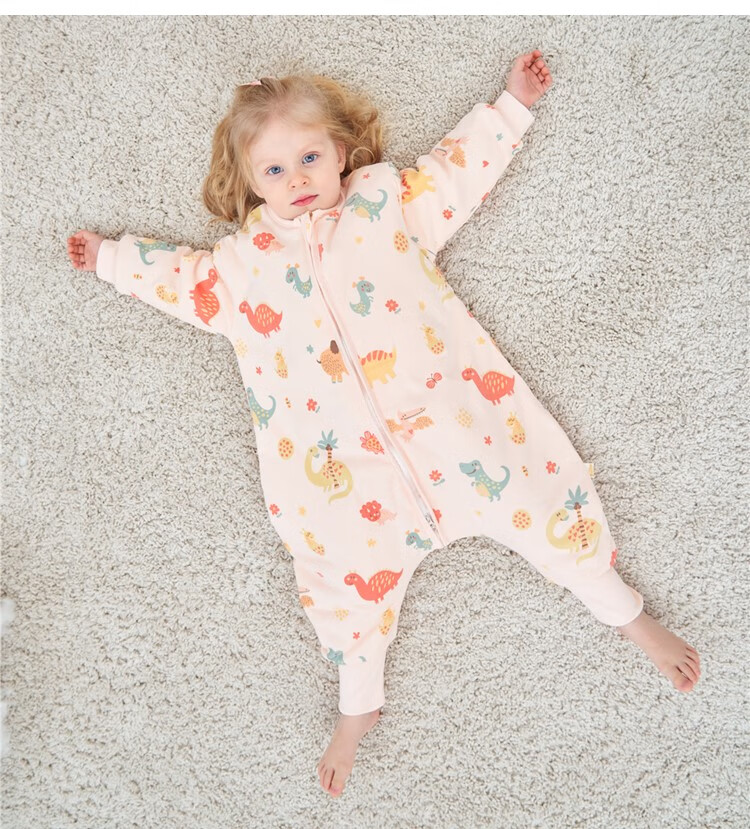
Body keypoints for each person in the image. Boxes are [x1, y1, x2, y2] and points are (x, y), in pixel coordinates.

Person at [67, 50, 701, 799]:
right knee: (346, 591)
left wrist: (511, 107)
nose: (297, 178)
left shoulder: (384, 206)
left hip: (457, 430)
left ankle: (625, 613)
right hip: (342, 481)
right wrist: (110, 259)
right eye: (275, 170)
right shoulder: (237, 272)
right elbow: (176, 279)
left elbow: (455, 176)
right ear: (250, 183)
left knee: (539, 496)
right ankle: (357, 704)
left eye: (310, 157)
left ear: (341, 153)